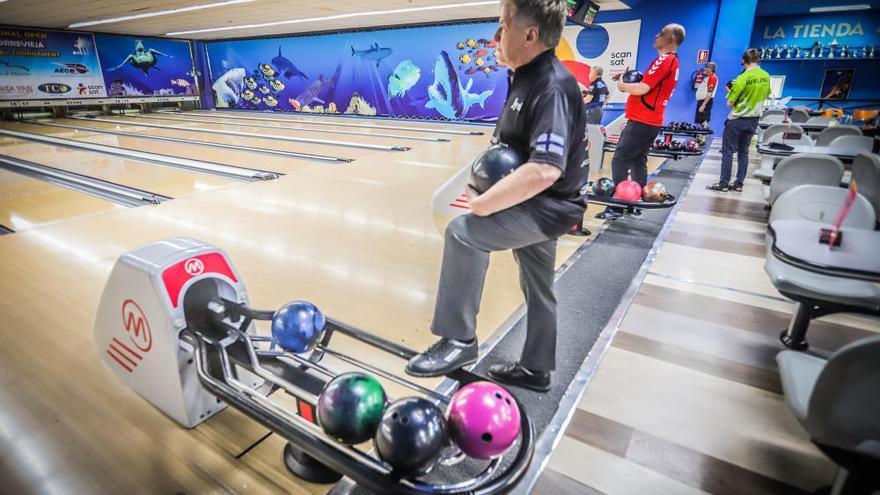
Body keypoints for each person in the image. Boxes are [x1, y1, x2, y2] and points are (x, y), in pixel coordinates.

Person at [405, 0, 589, 392]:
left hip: (547, 204)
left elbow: (545, 168)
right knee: (538, 284)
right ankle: (537, 369)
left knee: (463, 233)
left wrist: (483, 204)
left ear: (530, 34)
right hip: (548, 203)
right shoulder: (526, 74)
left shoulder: (551, 85)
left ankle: (458, 340)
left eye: (502, 25)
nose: (494, 36)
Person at [596, 24, 685, 220]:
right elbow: (648, 84)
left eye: (661, 33)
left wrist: (622, 85)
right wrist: (626, 79)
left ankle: (617, 206)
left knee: (620, 157)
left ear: (670, 39)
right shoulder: (669, 61)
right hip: (648, 119)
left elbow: (642, 88)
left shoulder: (666, 60)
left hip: (643, 119)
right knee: (637, 160)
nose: (656, 35)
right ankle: (634, 203)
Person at [707, 48, 770, 193]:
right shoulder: (766, 76)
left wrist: (730, 93)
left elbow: (730, 103)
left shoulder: (742, 78)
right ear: (758, 60)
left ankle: (723, 184)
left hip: (737, 119)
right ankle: (739, 184)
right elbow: (766, 96)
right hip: (754, 120)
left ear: (743, 60)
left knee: (728, 152)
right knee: (744, 152)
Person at [694, 61, 717, 128]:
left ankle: (702, 138)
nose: (705, 69)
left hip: (706, 102)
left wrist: (703, 105)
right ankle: (700, 138)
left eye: (706, 67)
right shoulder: (708, 77)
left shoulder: (712, 78)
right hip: (702, 101)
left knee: (703, 121)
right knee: (701, 121)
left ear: (711, 68)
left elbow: (710, 93)